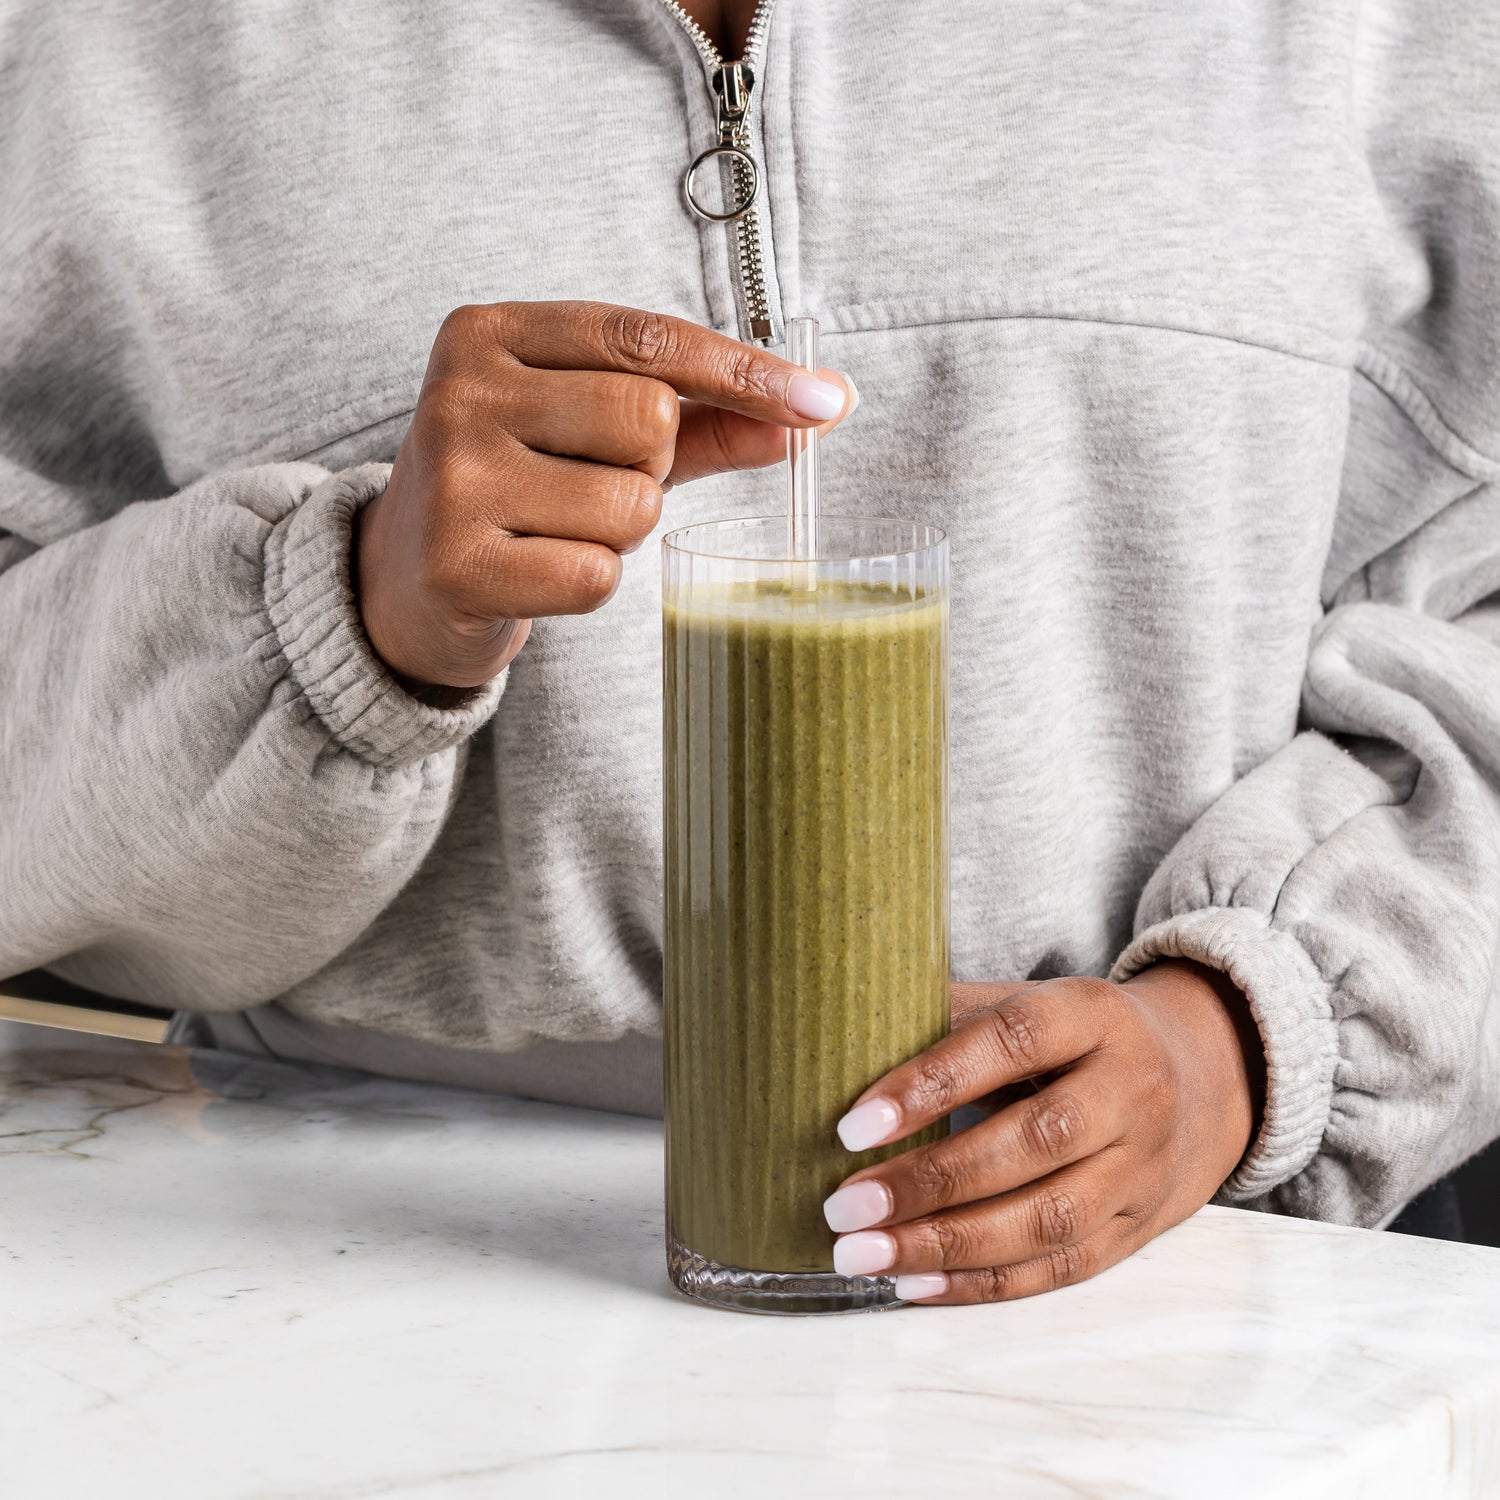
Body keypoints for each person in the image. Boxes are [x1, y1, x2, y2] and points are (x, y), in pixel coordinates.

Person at [2, 0, 1497, 1302]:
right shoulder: (97, 49)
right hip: (325, 1272)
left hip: (1173, 1288)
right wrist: (351, 608)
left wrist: (1253, 1027)